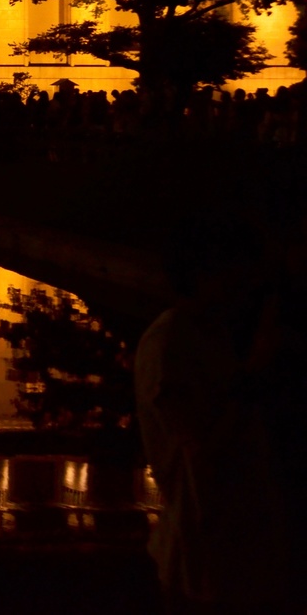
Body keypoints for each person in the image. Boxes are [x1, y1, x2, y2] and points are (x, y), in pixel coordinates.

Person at [134, 242, 299, 612]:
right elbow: (202, 445)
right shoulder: (171, 342)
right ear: (202, 276)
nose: (242, 286)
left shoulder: (207, 334)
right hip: (206, 559)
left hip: (227, 554)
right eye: (233, 274)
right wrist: (254, 375)